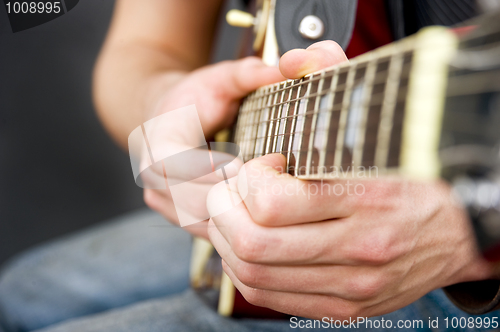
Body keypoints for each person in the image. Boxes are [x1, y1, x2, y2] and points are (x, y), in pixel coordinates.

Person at [0, 0, 499, 331]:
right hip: (267, 207)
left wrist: (476, 240)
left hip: (472, 267)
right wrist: (160, 105)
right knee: (22, 293)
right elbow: (144, 47)